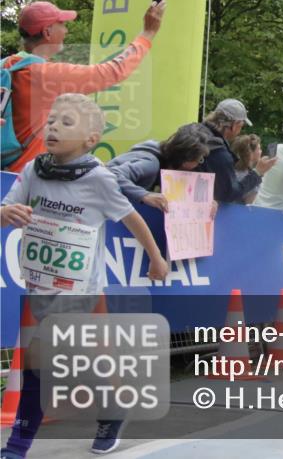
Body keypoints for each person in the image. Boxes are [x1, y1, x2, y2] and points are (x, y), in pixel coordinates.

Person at [0, 93, 169, 458]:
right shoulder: (33, 171)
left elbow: (132, 218)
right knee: (90, 362)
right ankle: (114, 409)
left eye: (66, 122)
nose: (54, 127)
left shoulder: (99, 179)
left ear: (91, 138)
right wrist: (8, 214)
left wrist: (156, 257)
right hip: (40, 284)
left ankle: (17, 444)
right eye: (51, 120)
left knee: (38, 359)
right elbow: (4, 209)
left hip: (82, 288)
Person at [2, 0, 167, 172]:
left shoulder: (5, 65)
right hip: (25, 176)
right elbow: (113, 71)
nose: (66, 30)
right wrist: (147, 34)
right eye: (62, 24)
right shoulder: (45, 73)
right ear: (47, 32)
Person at [106, 123, 216, 213]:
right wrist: (145, 195)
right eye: (199, 159)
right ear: (186, 160)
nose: (199, 164)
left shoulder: (170, 166)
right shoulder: (150, 164)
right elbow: (111, 174)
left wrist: (205, 202)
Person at [196, 99, 275, 203]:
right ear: (234, 125)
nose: (240, 131)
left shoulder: (193, 131)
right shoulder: (220, 154)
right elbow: (231, 194)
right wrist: (258, 172)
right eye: (241, 126)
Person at [231, 134, 262, 203]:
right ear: (250, 153)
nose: (261, 151)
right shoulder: (250, 177)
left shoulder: (231, 169)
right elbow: (250, 203)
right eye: (259, 149)